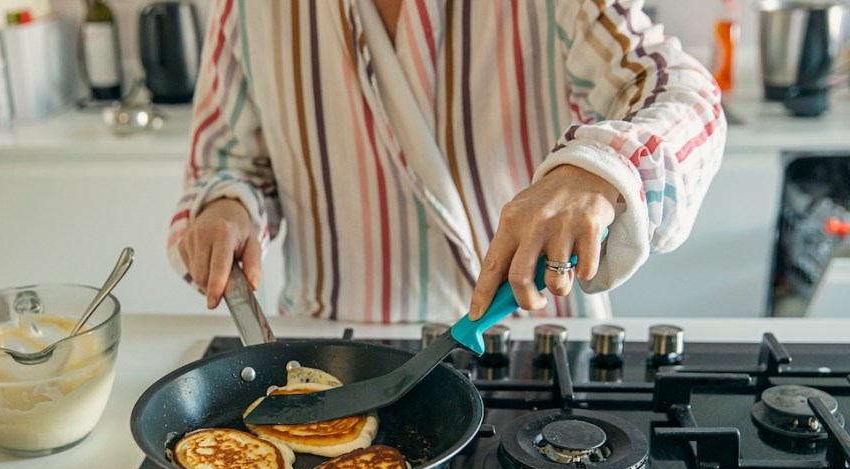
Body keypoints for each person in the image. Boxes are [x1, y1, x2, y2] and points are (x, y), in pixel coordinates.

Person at [168, 0, 726, 323]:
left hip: (533, 341)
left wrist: (597, 169)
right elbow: (228, 161)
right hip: (331, 352)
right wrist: (226, 205)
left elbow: (682, 91)